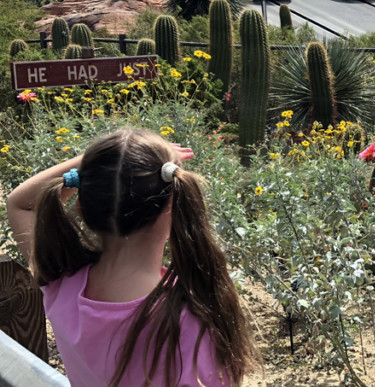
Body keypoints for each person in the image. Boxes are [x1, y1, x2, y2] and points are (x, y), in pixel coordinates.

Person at [6, 128, 260, 386]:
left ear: (81, 207)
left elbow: (20, 203)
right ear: (175, 205)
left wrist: (103, 163)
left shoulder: (61, 284)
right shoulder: (192, 319)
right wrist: (120, 160)